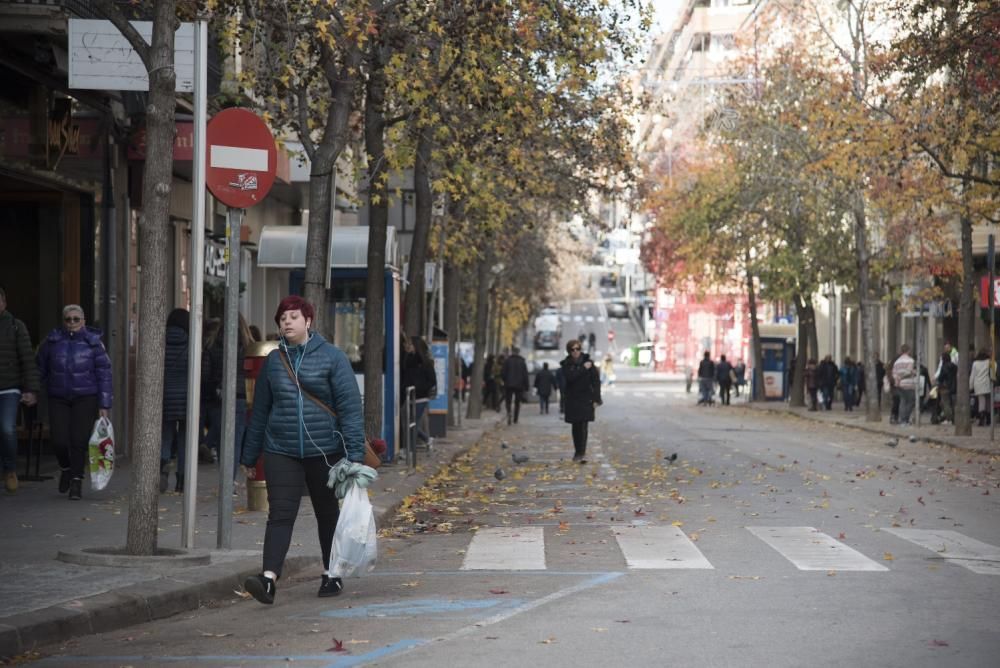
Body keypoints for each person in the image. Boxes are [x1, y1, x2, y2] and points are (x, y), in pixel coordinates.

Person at [240, 296, 366, 605]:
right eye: (282, 317)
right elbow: (260, 412)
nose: (286, 321)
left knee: (326, 513)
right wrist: (249, 455)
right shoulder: (273, 362)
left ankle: (332, 573)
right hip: (281, 449)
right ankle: (268, 579)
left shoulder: (333, 358)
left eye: (293, 316)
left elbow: (350, 409)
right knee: (280, 514)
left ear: (308, 321)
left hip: (325, 450)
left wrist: (354, 456)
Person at [36, 304, 112, 500]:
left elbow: (104, 374)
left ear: (83, 321)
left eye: (76, 319)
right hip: (58, 397)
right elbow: (39, 370)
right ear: (63, 322)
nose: (72, 323)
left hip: (86, 397)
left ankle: (77, 482)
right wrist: (34, 391)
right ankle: (66, 468)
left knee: (78, 441)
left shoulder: (94, 344)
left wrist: (104, 404)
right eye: (68, 319)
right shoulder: (51, 342)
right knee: (59, 440)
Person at [1, 288, 40, 493]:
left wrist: (31, 390)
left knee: (6, 429)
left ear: (4, 302)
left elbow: (27, 359)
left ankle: (9, 470)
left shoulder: (16, 326)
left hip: (9, 388)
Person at [161, 309, 191, 493]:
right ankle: (181, 479)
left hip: (164, 398)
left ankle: (162, 471)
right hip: (186, 400)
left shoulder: (160, 343)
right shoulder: (191, 344)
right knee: (184, 440)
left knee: (165, 436)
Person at [561, 339, 601, 463]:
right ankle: (577, 450)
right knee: (575, 426)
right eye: (572, 349)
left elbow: (596, 382)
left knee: (583, 426)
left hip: (586, 398)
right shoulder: (566, 364)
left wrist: (596, 399)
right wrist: (583, 368)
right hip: (573, 399)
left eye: (577, 349)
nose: (575, 352)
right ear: (569, 351)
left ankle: (581, 453)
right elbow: (570, 378)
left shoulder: (589, 363)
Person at [402, 336, 436, 445]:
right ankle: (426, 439)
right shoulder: (409, 359)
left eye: (411, 345)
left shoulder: (426, 363)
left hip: (420, 397)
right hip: (409, 395)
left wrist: (419, 387)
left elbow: (432, 381)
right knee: (410, 423)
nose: (408, 347)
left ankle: (411, 449)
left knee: (413, 422)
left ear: (416, 346)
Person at [501, 346, 529, 424]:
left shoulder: (507, 361)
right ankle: (515, 418)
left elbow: (503, 373)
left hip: (509, 384)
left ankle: (509, 412)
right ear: (518, 352)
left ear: (512, 352)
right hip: (519, 385)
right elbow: (525, 375)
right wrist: (526, 386)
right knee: (517, 402)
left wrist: (505, 380)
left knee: (508, 401)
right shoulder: (522, 362)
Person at [892, 345, 918, 425]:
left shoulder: (897, 362)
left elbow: (894, 373)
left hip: (899, 384)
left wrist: (897, 379)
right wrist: (914, 372)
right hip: (908, 383)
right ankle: (905, 418)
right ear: (908, 351)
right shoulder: (910, 360)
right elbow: (909, 371)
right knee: (911, 401)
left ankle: (902, 419)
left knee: (902, 401)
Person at [970, 350, 993, 426]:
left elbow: (972, 375)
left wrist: (971, 386)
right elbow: (992, 372)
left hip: (978, 384)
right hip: (987, 383)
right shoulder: (989, 362)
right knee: (988, 402)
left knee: (981, 402)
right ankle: (989, 419)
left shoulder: (975, 363)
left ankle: (981, 419)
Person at [936, 351, 957, 425]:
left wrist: (938, 382)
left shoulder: (944, 367)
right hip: (954, 386)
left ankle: (949, 419)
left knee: (945, 403)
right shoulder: (954, 366)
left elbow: (941, 377)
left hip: (945, 387)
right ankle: (954, 418)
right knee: (953, 403)